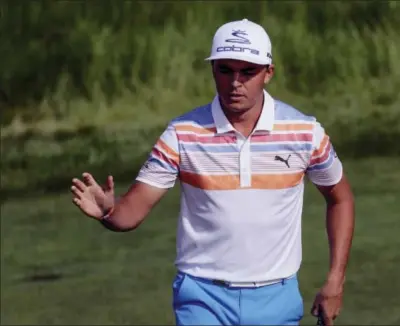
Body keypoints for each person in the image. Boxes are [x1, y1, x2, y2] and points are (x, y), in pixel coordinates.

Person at [70, 18, 355, 326]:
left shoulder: (305, 132)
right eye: (225, 70)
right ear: (213, 70)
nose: (236, 82)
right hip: (202, 297)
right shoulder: (181, 134)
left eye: (248, 72)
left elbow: (340, 199)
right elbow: (131, 212)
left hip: (277, 298)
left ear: (268, 73)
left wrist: (335, 281)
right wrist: (108, 212)